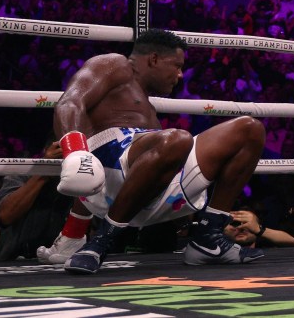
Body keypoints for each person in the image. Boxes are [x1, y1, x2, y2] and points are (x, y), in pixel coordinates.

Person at [50, 28, 266, 274]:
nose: (180, 75)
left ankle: (208, 237)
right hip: (108, 170)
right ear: (153, 59)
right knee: (178, 138)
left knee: (250, 128)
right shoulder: (115, 64)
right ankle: (103, 240)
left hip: (149, 188)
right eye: (176, 65)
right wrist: (77, 153)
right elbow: (69, 102)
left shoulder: (146, 107)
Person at [0, 140, 76, 261]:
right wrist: (44, 171)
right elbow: (5, 215)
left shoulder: (85, 175)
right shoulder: (24, 170)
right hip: (14, 257)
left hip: (63, 259)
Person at [224, 208, 294, 248]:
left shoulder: (265, 247)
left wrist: (259, 230)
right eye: (235, 223)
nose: (241, 227)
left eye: (247, 223)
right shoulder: (215, 250)